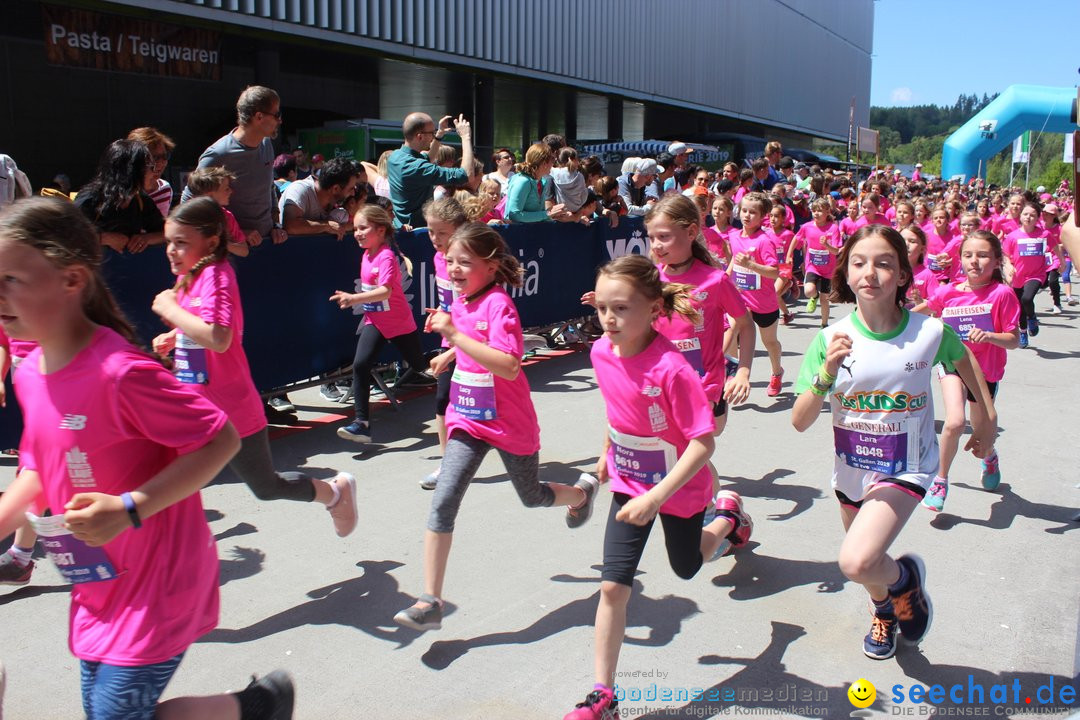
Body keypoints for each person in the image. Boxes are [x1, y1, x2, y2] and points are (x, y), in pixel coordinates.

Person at [0, 197, 295, 720]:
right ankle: (255, 706)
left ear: (71, 280)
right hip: (97, 584)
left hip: (159, 582)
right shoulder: (29, 374)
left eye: (11, 279)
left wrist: (128, 508)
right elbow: (37, 473)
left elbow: (220, 439)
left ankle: (256, 707)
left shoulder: (118, 371)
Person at [792, 224, 996, 660]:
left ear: (903, 275)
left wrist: (987, 421)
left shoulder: (929, 332)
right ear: (845, 273)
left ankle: (905, 580)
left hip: (906, 468)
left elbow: (966, 364)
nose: (870, 273)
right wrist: (826, 374)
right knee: (866, 562)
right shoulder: (829, 339)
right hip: (850, 470)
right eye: (859, 263)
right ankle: (884, 611)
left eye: (884, 263)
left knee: (856, 560)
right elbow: (799, 420)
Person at [563, 254, 752, 720]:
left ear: (653, 308)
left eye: (622, 308)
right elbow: (616, 407)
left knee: (687, 567)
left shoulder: (671, 368)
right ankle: (602, 696)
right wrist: (606, 452)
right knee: (613, 588)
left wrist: (657, 496)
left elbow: (702, 443)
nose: (609, 318)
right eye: (603, 307)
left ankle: (727, 519)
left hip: (678, 490)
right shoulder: (600, 352)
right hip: (630, 485)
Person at [393, 224, 598, 633]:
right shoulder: (462, 299)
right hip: (467, 420)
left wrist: (452, 335)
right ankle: (430, 600)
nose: (452, 268)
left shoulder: (499, 305)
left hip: (509, 422)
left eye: (463, 262)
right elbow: (471, 336)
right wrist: (450, 355)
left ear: (489, 265)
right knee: (443, 500)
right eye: (450, 260)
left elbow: (508, 364)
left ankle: (581, 493)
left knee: (533, 496)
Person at [151, 197, 358, 537]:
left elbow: (219, 337)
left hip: (231, 408)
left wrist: (171, 310)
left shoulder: (217, 276)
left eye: (181, 243)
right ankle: (168, 550)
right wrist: (174, 336)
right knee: (171, 476)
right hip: (195, 407)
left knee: (266, 486)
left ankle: (334, 493)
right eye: (170, 242)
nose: (171, 250)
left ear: (212, 242)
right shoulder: (188, 277)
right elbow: (197, 323)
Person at [917, 230, 1019, 511]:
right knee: (953, 422)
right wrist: (895, 321)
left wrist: (988, 336)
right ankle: (940, 480)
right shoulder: (948, 291)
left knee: (981, 434)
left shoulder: (1002, 294)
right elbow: (926, 308)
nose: (975, 261)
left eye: (983, 255)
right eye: (968, 255)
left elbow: (1014, 339)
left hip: (985, 374)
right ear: (959, 259)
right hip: (952, 365)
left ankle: (990, 456)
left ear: (997, 260)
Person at [329, 205, 430, 444]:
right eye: (355, 228)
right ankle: (361, 424)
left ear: (381, 229)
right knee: (361, 365)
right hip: (375, 322)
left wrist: (353, 299)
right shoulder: (366, 255)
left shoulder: (386, 256)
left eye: (363, 228)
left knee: (419, 365)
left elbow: (385, 291)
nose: (357, 233)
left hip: (399, 323)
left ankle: (458, 374)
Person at [181, 86, 287, 245]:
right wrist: (237, 234)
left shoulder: (267, 144)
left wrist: (275, 224)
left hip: (267, 243)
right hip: (233, 252)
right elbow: (189, 206)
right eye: (277, 114)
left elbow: (268, 187)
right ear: (259, 116)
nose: (280, 120)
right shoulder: (218, 154)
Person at [419, 197, 470, 489]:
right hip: (451, 340)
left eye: (442, 232)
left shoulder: (469, 262)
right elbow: (451, 303)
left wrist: (451, 353)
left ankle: (521, 452)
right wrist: (440, 314)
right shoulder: (440, 259)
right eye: (430, 232)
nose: (435, 239)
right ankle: (447, 465)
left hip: (475, 343)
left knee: (491, 408)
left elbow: (477, 318)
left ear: (459, 229)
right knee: (443, 402)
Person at [727, 193, 784, 397]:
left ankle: (777, 371)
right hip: (741, 300)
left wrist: (751, 265)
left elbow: (774, 271)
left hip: (764, 303)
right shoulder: (734, 236)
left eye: (753, 212)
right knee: (732, 332)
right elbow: (735, 258)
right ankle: (733, 374)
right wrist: (726, 277)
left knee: (770, 342)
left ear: (762, 217)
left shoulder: (764, 241)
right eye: (744, 210)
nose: (747, 215)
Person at [75, 139, 165, 254]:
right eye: (151, 167)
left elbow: (165, 233)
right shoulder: (90, 199)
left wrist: (147, 238)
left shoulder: (141, 200)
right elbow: (68, 237)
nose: (154, 173)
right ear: (132, 171)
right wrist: (104, 238)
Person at [387, 112, 473, 228]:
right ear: (420, 136)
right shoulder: (416, 167)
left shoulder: (395, 157)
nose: (433, 136)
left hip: (403, 227)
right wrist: (465, 137)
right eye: (431, 133)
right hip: (417, 234)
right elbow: (466, 174)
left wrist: (439, 135)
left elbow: (429, 159)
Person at [1003, 202, 1061, 347]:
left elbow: (1056, 247)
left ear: (1038, 218)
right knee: (1020, 307)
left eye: (1032, 215)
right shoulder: (1012, 236)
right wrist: (1009, 265)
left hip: (1036, 274)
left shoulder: (1044, 234)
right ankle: (1023, 332)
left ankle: (1032, 317)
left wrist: (1062, 262)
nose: (1029, 217)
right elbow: (1005, 254)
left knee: (1027, 298)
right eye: (1026, 214)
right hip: (1018, 276)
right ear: (1021, 216)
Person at [278, 156, 364, 240]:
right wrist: (326, 226)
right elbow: (291, 226)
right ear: (336, 189)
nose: (353, 194)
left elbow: (339, 227)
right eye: (351, 189)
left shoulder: (333, 200)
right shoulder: (300, 190)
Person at [790, 198, 842, 327]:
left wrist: (826, 245)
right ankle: (814, 296)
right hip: (812, 266)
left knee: (825, 299)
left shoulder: (833, 228)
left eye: (819, 211)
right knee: (808, 291)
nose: (816, 213)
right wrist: (788, 255)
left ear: (827, 212)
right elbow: (796, 239)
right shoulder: (807, 227)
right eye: (814, 211)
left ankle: (824, 324)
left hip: (828, 270)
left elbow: (836, 251)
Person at [185, 167, 253, 257]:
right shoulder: (187, 217)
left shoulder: (227, 217)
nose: (231, 191)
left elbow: (244, 251)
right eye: (226, 189)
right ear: (209, 195)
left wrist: (222, 243)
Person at [505, 143, 570, 223]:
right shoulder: (522, 181)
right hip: (517, 234)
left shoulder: (542, 181)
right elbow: (514, 215)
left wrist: (556, 215)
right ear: (544, 163)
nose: (554, 164)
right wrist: (547, 213)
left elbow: (539, 215)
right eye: (553, 159)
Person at [127, 127, 176, 218]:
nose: (161, 163)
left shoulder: (164, 189)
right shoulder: (120, 192)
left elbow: (158, 230)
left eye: (164, 156)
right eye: (154, 158)